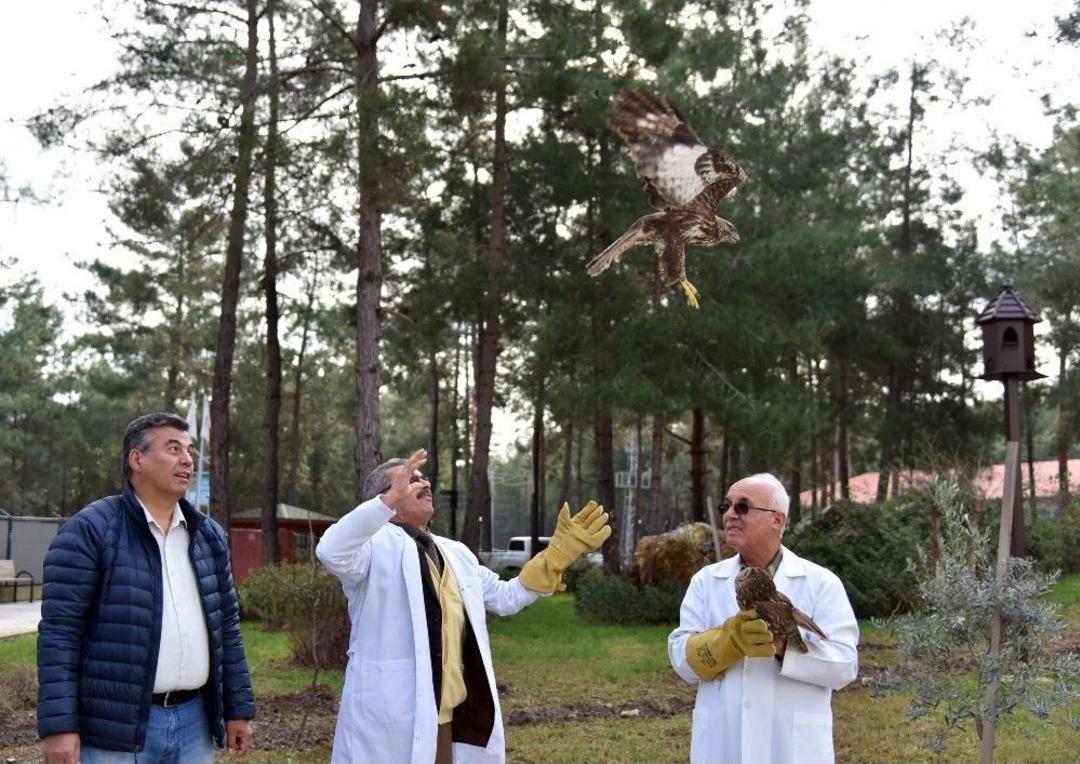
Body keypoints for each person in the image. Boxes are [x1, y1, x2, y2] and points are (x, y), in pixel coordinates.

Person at [316, 449, 610, 764]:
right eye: (410, 481)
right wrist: (384, 506)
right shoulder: (370, 549)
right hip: (391, 719)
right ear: (384, 499)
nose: (424, 484)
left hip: (448, 718)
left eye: (423, 477)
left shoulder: (456, 553)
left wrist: (555, 557)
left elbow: (506, 596)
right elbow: (331, 551)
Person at [37, 412, 256, 764]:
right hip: (115, 730)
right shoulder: (90, 530)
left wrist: (238, 709)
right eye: (173, 448)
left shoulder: (209, 536)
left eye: (189, 449)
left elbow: (227, 628)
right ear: (136, 459)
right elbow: (59, 633)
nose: (187, 459)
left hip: (194, 724)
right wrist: (59, 727)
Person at [668, 473, 858, 764]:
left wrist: (783, 647)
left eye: (743, 507)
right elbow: (682, 659)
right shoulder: (706, 581)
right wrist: (725, 642)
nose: (730, 514)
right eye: (727, 506)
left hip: (791, 749)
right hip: (723, 746)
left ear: (777, 520)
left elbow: (844, 666)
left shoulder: (820, 583)